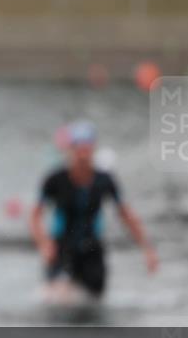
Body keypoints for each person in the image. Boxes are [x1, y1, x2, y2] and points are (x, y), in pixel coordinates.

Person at [30, 120, 158, 304]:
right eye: (78, 149)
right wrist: (44, 244)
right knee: (57, 299)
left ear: (93, 150)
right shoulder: (55, 180)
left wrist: (147, 249)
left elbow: (126, 215)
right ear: (70, 151)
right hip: (61, 248)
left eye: (87, 149)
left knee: (94, 303)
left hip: (92, 249)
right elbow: (35, 215)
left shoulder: (104, 180)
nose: (82, 155)